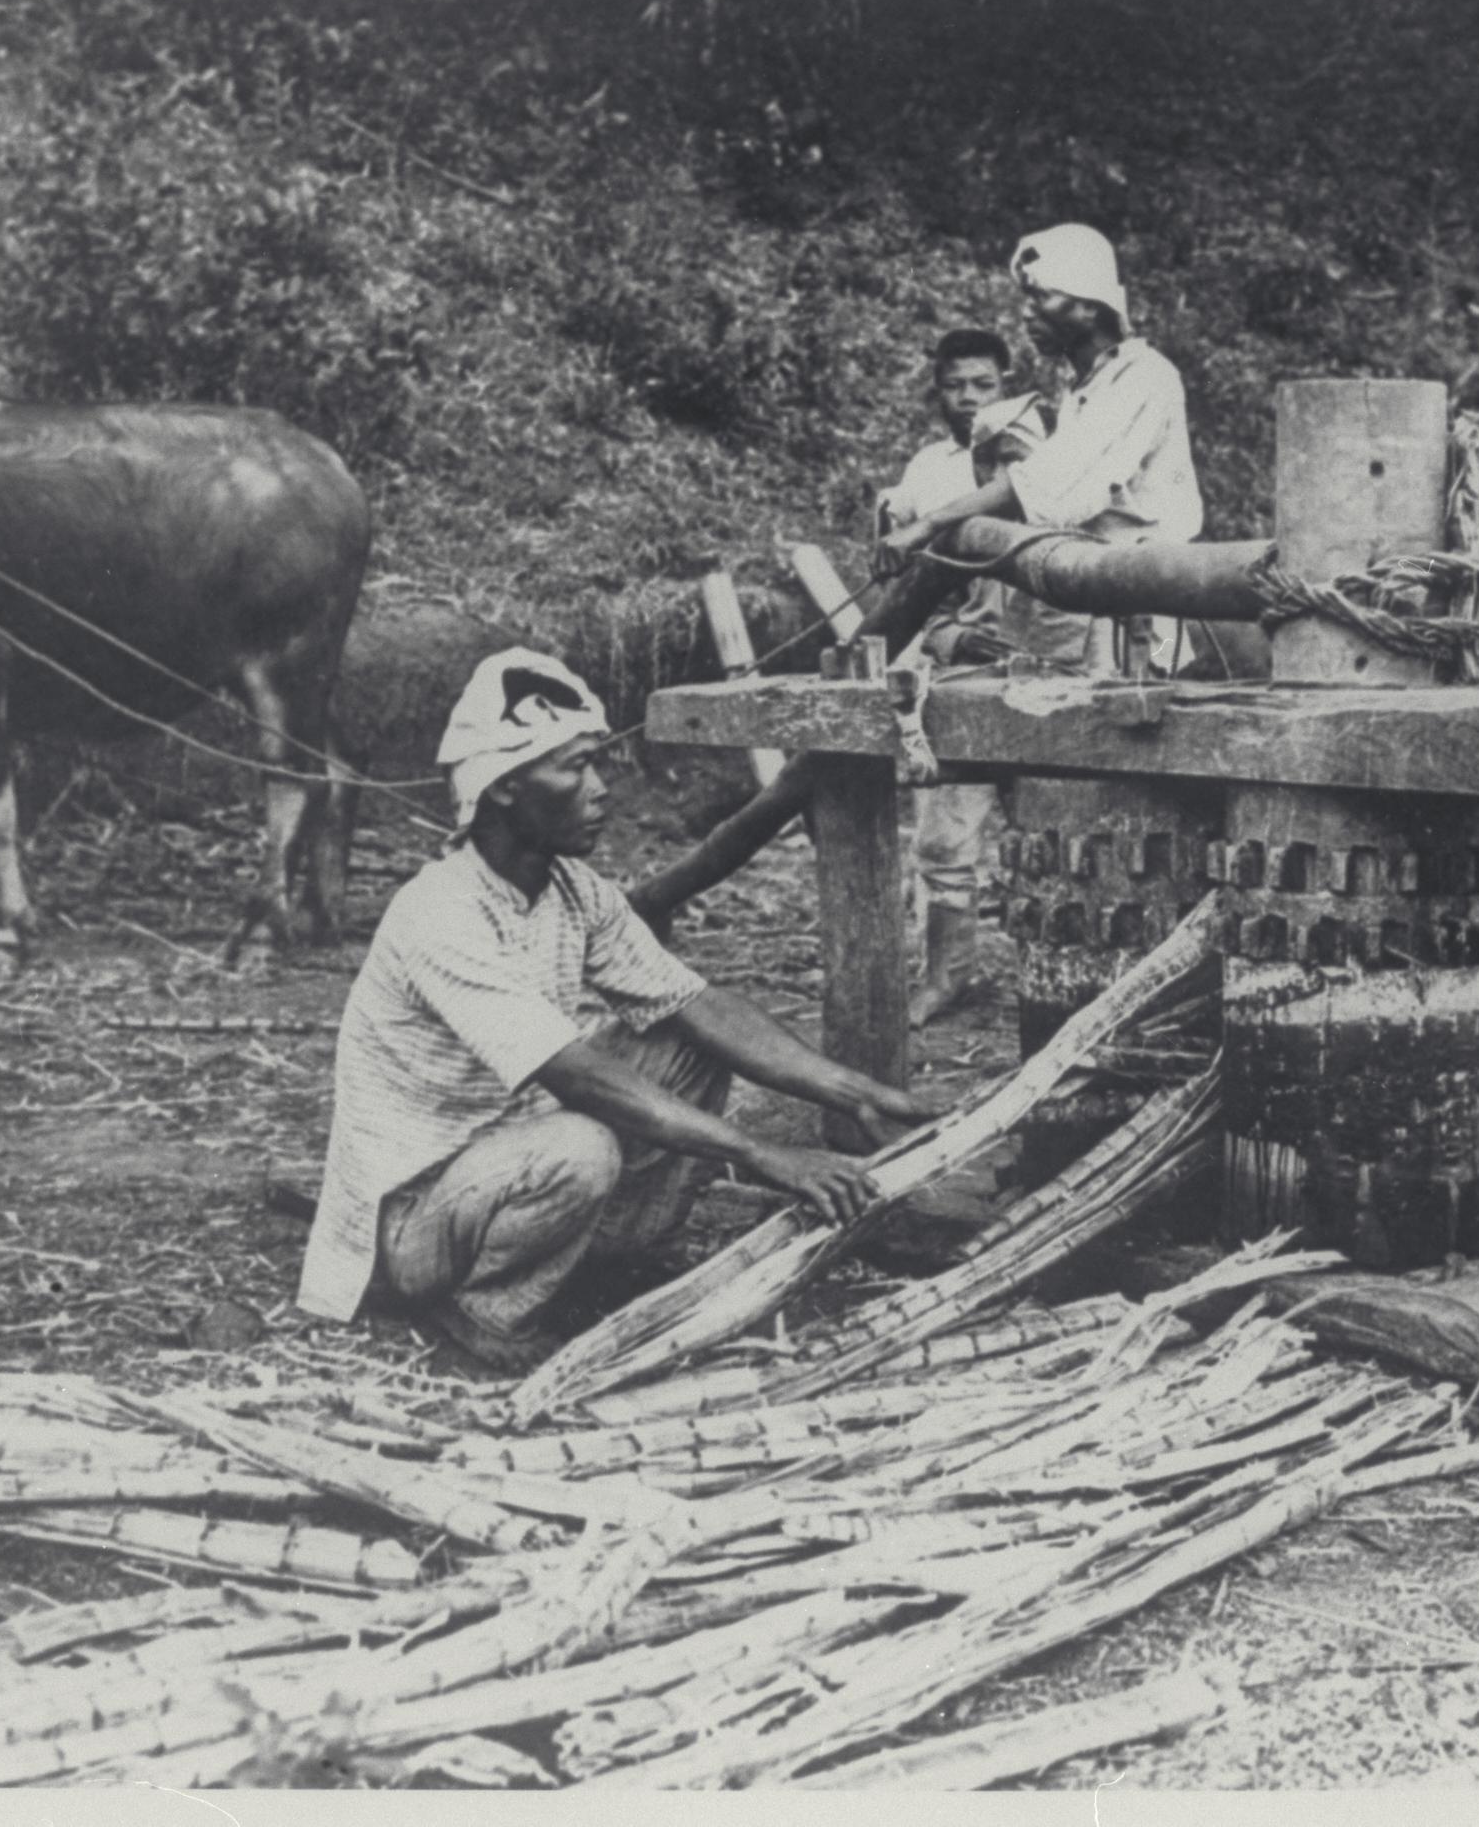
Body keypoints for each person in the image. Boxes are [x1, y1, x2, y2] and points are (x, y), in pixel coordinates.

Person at [295, 649, 942, 1378]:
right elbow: (577, 1078)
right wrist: (764, 1156)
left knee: (691, 1046)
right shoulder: (441, 914)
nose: (601, 790)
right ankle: (482, 1309)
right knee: (582, 1145)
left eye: (596, 764)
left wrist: (852, 1092)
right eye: (574, 769)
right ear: (504, 788)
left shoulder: (574, 891)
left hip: (503, 1166)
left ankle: (605, 1259)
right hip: (414, 1220)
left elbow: (694, 1003)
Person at [874, 223, 1205, 673]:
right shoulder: (1082, 388)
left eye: (1040, 297)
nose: (1027, 314)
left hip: (1143, 600)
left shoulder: (1143, 376)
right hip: (1083, 593)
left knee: (1141, 708)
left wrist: (928, 524)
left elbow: (1049, 483)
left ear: (1089, 307)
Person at [878, 331, 1066, 1026]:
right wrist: (949, 634)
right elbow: (908, 603)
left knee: (1056, 832)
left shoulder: (1054, 460)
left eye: (982, 385)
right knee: (944, 838)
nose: (967, 399)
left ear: (1007, 385)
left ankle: (1056, 973)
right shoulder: (929, 471)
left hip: (1056, 669)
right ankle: (948, 974)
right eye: (955, 386)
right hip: (965, 669)